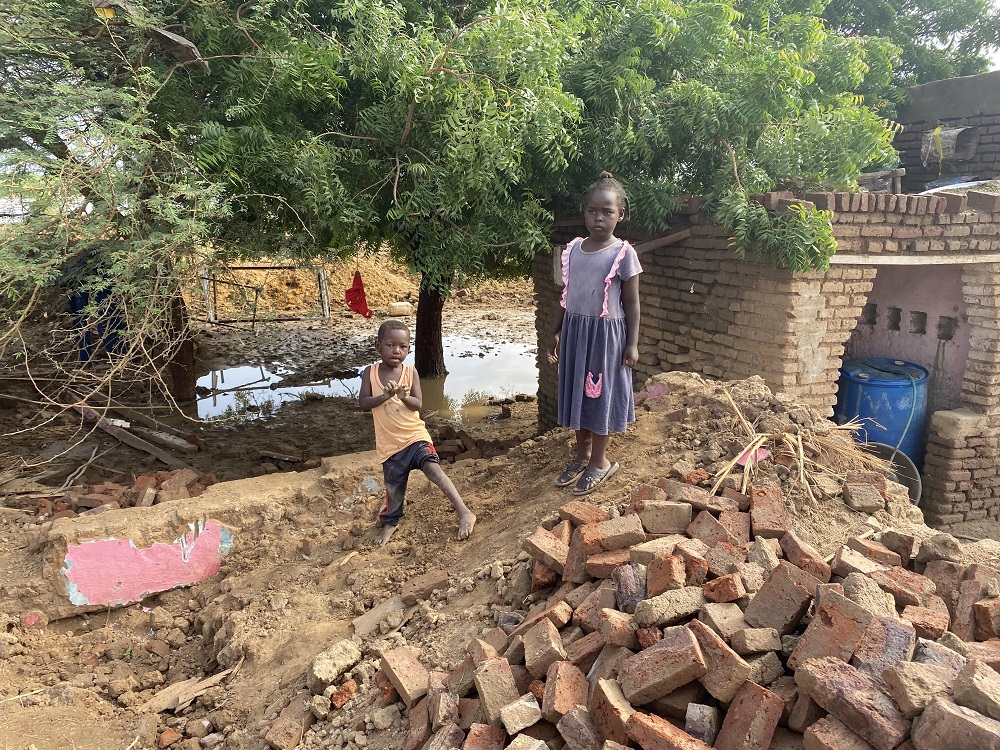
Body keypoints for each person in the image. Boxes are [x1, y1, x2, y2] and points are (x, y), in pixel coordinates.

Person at [547, 172, 642, 495]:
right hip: (576, 334)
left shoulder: (623, 254)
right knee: (579, 394)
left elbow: (631, 303)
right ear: (584, 211)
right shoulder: (573, 249)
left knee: (599, 395)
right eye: (592, 211)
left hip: (605, 339)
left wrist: (632, 344)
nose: (598, 218)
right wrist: (555, 331)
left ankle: (599, 461)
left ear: (620, 215)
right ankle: (582, 456)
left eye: (607, 212)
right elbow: (567, 295)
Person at [360, 320, 476, 545]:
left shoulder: (410, 372)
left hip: (415, 436)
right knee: (394, 488)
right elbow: (363, 403)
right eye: (390, 345)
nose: (397, 351)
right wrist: (383, 397)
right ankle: (392, 522)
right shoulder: (370, 373)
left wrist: (403, 396)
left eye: (403, 346)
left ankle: (464, 512)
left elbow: (418, 404)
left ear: (409, 348)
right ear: (378, 346)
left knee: (435, 471)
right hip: (390, 444)